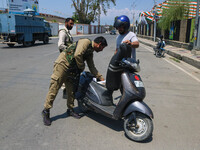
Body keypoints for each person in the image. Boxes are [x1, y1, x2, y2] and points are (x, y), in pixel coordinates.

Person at [42, 36, 108, 126]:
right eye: (102, 48)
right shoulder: (85, 42)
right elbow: (77, 54)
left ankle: (70, 109)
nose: (101, 50)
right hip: (63, 65)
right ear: (99, 44)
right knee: (54, 88)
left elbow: (92, 67)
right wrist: (81, 67)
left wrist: (101, 78)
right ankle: (46, 111)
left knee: (71, 90)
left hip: (72, 69)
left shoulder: (90, 52)